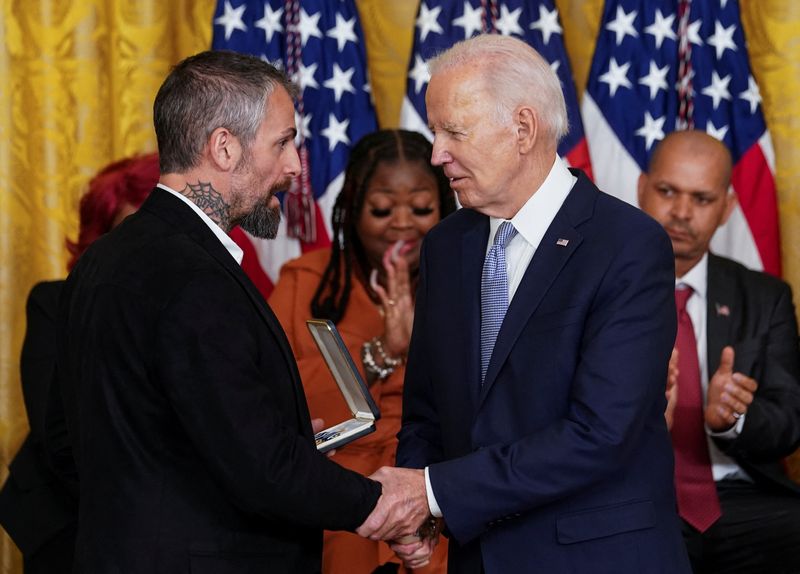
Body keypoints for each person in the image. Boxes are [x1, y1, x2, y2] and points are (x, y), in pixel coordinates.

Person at [49, 50, 424, 574]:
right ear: (224, 147)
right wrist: (375, 503)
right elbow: (258, 467)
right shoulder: (194, 278)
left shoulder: (104, 262)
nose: (295, 167)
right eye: (284, 142)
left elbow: (95, 442)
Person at [360, 34, 692, 573]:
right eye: (435, 131)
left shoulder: (628, 244)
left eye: (453, 132)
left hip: (596, 557)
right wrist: (419, 509)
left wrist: (433, 491)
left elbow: (601, 433)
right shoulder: (446, 246)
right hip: (479, 557)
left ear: (522, 128)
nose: (437, 153)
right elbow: (426, 409)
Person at [269, 129, 455, 573]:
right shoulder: (306, 281)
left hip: (437, 496)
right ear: (352, 210)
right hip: (334, 501)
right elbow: (273, 402)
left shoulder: (468, 284)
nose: (403, 222)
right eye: (382, 208)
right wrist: (382, 351)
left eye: (422, 208)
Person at [638, 130, 800, 573]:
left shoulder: (764, 297)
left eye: (702, 199)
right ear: (641, 188)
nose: (681, 213)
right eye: (667, 191)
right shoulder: (599, 287)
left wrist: (735, 419)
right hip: (632, 493)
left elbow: (789, 421)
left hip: (740, 496)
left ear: (727, 207)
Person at [0, 153, 159, 573]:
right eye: (129, 230)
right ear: (98, 239)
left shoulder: (191, 309)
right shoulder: (54, 302)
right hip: (65, 515)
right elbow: (57, 430)